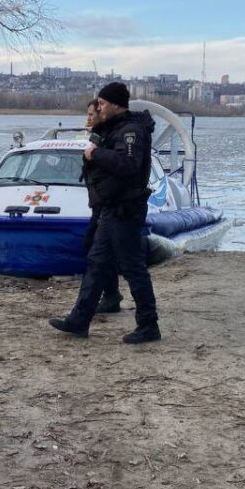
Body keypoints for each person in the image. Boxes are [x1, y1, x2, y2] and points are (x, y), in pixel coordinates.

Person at [49, 82, 160, 343]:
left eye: (101, 103)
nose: (97, 107)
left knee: (133, 268)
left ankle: (148, 324)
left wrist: (97, 154)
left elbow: (129, 165)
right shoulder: (115, 129)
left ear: (113, 104)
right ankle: (79, 320)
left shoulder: (131, 131)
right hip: (110, 209)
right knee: (97, 264)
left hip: (125, 210)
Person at [84, 100, 123, 313]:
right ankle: (110, 294)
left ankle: (108, 296)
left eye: (93, 114)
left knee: (97, 251)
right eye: (88, 114)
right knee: (95, 249)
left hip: (105, 204)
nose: (89, 117)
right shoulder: (96, 138)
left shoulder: (106, 140)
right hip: (98, 203)